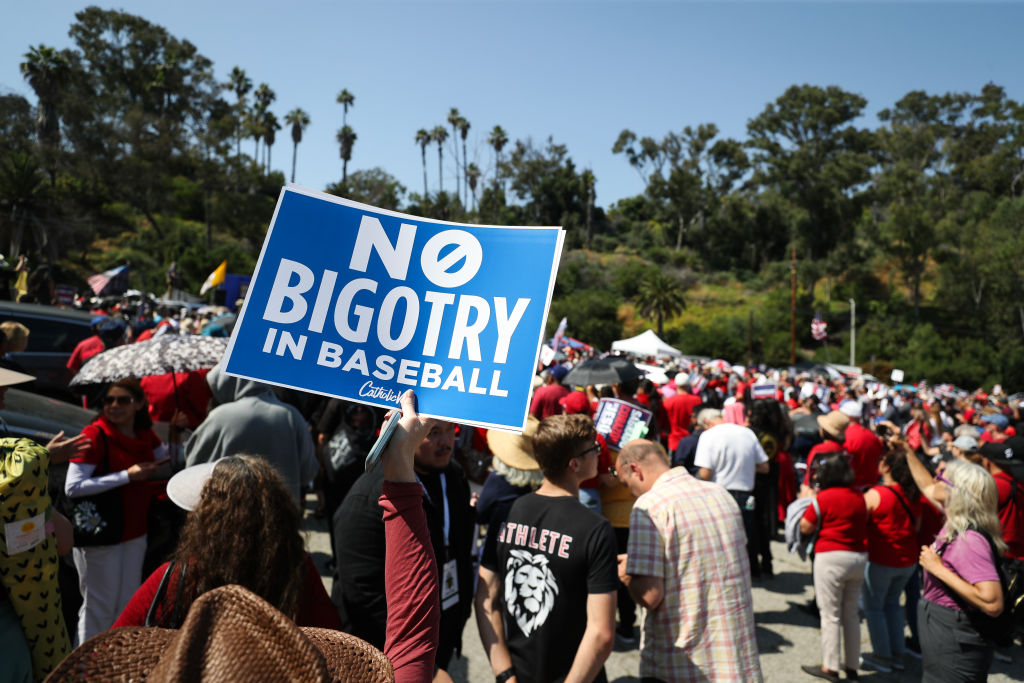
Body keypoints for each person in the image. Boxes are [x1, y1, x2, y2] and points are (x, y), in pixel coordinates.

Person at [112, 389, 439, 682]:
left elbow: (116, 646)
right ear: (278, 514)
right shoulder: (295, 569)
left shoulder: (176, 575)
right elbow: (333, 641)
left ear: (204, 518)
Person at [477, 413, 617, 683]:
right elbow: (602, 634)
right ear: (574, 464)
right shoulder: (596, 529)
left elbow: (484, 598)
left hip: (518, 673)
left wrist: (504, 673)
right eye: (594, 449)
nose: (599, 454)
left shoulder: (507, 512)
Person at [333, 418, 474, 678]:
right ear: (405, 434)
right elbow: (362, 594)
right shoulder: (368, 495)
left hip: (437, 636)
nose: (446, 442)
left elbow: (461, 552)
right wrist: (421, 667)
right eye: (433, 433)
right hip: (384, 659)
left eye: (449, 432)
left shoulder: (454, 477)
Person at [615, 439, 762, 682]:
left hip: (681, 664)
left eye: (627, 484)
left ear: (635, 470)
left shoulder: (650, 505)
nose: (630, 492)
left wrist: (630, 575)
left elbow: (650, 595)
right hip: (736, 659)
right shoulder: (720, 493)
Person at [64, 378, 180, 643]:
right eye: (109, 400)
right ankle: (83, 669)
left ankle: (113, 661)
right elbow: (73, 487)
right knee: (98, 607)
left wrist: (174, 433)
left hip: (135, 532)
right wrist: (126, 476)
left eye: (123, 400)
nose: (114, 406)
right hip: (101, 535)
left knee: (127, 604)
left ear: (139, 404)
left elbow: (167, 459)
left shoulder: (143, 435)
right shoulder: (94, 434)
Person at [903, 454, 1006, 682]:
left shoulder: (969, 540)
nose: (936, 480)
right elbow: (926, 486)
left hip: (956, 642)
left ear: (956, 493)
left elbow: (993, 602)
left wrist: (938, 569)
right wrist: (906, 450)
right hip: (947, 638)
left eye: (942, 478)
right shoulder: (956, 523)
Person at [185, 364, 318, 507]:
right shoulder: (291, 416)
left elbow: (193, 472)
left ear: (226, 384)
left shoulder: (219, 418)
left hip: (230, 514)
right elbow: (308, 473)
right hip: (281, 515)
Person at [799, 453, 868, 682]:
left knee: (830, 615)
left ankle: (830, 666)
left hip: (831, 556)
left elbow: (806, 526)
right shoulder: (859, 496)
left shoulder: (824, 497)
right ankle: (851, 665)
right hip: (858, 556)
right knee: (850, 613)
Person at [859, 449, 921, 673]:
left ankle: (882, 656)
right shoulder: (914, 494)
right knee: (893, 604)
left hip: (881, 559)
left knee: (874, 608)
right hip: (907, 560)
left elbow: (858, 522)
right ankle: (897, 653)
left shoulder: (876, 494)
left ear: (887, 468)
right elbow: (917, 527)